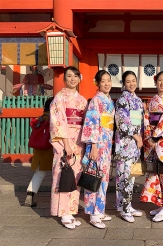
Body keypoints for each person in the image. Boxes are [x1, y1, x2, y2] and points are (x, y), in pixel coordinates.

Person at [49, 66, 87, 229]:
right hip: (65, 142)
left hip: (79, 141)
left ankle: (71, 210)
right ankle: (63, 213)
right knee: (62, 175)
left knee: (75, 176)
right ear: (64, 79)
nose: (72, 79)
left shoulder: (83, 100)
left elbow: (87, 123)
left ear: (80, 78)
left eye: (75, 76)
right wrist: (65, 144)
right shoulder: (59, 98)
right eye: (69, 76)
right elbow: (58, 123)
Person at [140, 71, 163, 222]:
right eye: (160, 80)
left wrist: (155, 136)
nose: (162, 83)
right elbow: (146, 119)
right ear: (156, 83)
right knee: (155, 173)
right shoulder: (153, 100)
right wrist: (148, 137)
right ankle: (160, 204)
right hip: (153, 141)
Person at [81, 70, 115, 229]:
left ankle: (99, 210)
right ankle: (94, 215)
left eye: (109, 80)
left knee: (104, 178)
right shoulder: (95, 101)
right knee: (94, 176)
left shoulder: (108, 100)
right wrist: (93, 146)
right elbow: (91, 124)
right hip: (97, 144)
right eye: (103, 81)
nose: (107, 83)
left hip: (106, 144)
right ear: (98, 83)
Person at [114, 71, 144, 223]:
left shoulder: (137, 100)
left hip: (135, 144)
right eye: (128, 81)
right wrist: (137, 136)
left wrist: (140, 138)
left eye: (133, 81)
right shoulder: (122, 100)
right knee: (123, 176)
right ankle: (124, 209)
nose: (131, 84)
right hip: (126, 143)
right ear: (124, 84)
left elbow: (140, 122)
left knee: (130, 176)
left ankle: (126, 204)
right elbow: (122, 123)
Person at [23, 97, 54, 207]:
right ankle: (59, 200)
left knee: (39, 173)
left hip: (40, 150)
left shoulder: (41, 118)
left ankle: (29, 196)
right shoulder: (55, 118)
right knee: (60, 174)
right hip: (52, 149)